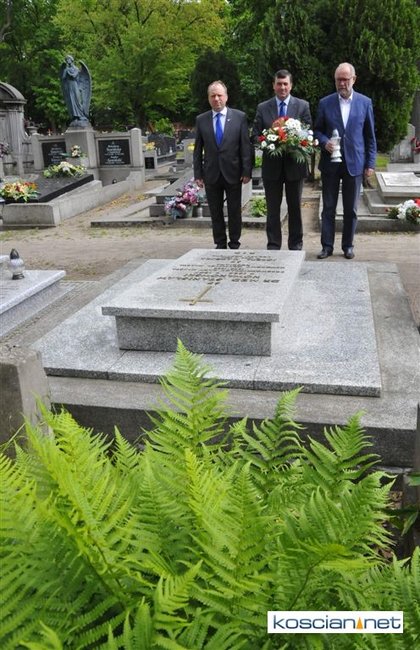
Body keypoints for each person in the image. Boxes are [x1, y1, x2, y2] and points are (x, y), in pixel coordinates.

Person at [314, 62, 376, 259]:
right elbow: (317, 130)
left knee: (351, 209)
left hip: (354, 163)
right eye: (338, 80)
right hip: (330, 164)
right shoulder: (325, 103)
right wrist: (324, 142)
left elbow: (370, 137)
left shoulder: (365, 103)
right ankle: (327, 246)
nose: (342, 83)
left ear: (354, 79)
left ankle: (348, 245)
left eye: (345, 79)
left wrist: (370, 163)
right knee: (328, 208)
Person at [252, 69, 312, 250]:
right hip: (272, 167)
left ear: (291, 85)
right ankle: (273, 244)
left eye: (285, 84)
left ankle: (295, 245)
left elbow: (309, 133)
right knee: (272, 209)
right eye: (279, 84)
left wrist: (294, 141)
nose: (282, 87)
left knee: (295, 208)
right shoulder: (263, 107)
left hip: (295, 167)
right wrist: (269, 141)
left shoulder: (302, 106)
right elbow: (255, 135)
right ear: (273, 85)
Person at [193, 80, 252, 249]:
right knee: (215, 211)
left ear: (226, 97)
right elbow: (198, 149)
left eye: (219, 95)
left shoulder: (239, 117)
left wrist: (246, 170)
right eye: (213, 96)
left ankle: (234, 242)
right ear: (208, 98)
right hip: (211, 173)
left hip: (233, 173)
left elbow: (245, 146)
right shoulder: (201, 120)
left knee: (234, 210)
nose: (216, 99)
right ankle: (220, 243)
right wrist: (198, 174)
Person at [60, 55, 91, 126]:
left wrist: (68, 72)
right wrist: (65, 71)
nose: (67, 61)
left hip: (75, 85)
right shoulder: (66, 69)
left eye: (68, 59)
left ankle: (81, 115)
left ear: (72, 60)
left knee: (77, 100)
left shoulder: (76, 69)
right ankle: (75, 117)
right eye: (66, 60)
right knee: (71, 101)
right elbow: (63, 78)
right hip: (69, 87)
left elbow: (74, 76)